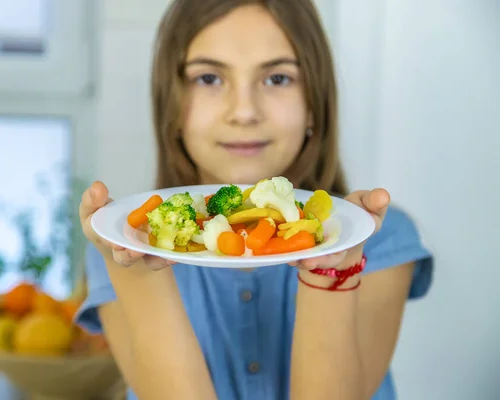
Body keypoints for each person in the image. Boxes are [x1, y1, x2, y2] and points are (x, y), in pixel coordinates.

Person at [75, 1, 434, 399]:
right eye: (209, 78)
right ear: (172, 107)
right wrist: (132, 261)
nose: (244, 112)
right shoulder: (118, 242)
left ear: (315, 103)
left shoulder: (381, 239)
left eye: (278, 78)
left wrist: (336, 262)